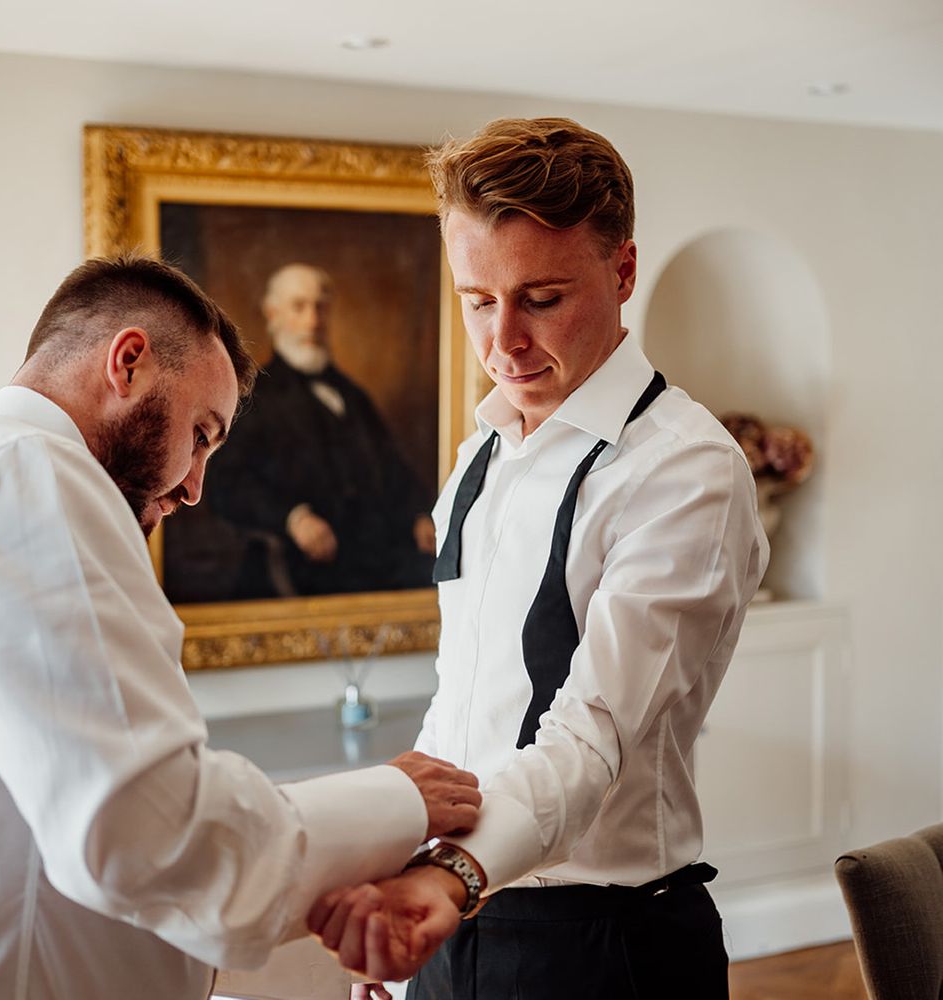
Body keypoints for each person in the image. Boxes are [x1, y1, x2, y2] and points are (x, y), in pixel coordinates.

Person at [307, 117, 770, 998]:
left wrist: (446, 880)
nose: (503, 341)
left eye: (543, 298)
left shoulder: (686, 469)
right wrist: (402, 877)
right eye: (477, 300)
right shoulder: (480, 451)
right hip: (455, 911)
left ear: (622, 271)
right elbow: (464, 697)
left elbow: (590, 732)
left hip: (602, 941)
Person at [0, 255, 482, 1000]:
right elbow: (146, 833)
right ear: (127, 363)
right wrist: (399, 798)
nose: (195, 487)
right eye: (201, 433)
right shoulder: (31, 472)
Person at [206, 263, 436, 598]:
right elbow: (228, 485)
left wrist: (418, 513)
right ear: (273, 315)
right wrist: (293, 518)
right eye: (299, 307)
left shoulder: (353, 396)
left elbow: (393, 466)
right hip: (303, 565)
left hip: (377, 558)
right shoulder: (253, 398)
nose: (312, 321)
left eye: (320, 308)